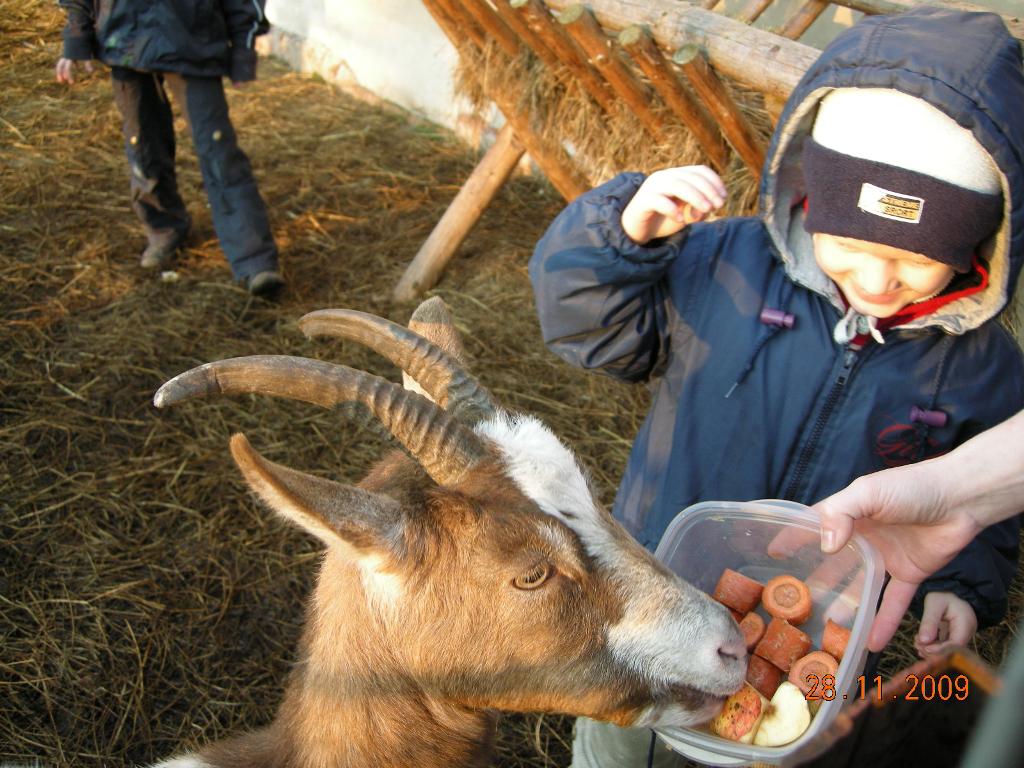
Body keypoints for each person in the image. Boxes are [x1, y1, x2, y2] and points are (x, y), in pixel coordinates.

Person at [528, 7, 1023, 766]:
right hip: (657, 595)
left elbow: (981, 499)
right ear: (810, 199)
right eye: (852, 243)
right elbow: (590, 334)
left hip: (816, 632)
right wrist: (622, 242)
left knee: (774, 743)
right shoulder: (722, 263)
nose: (878, 278)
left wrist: (960, 583)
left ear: (975, 245)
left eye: (918, 259)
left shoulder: (985, 367)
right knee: (622, 745)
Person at [55, 0, 285, 298]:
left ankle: (255, 260)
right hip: (125, 40)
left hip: (193, 40)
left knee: (218, 150)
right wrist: (76, 38)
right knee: (143, 146)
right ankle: (165, 229)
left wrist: (243, 49)